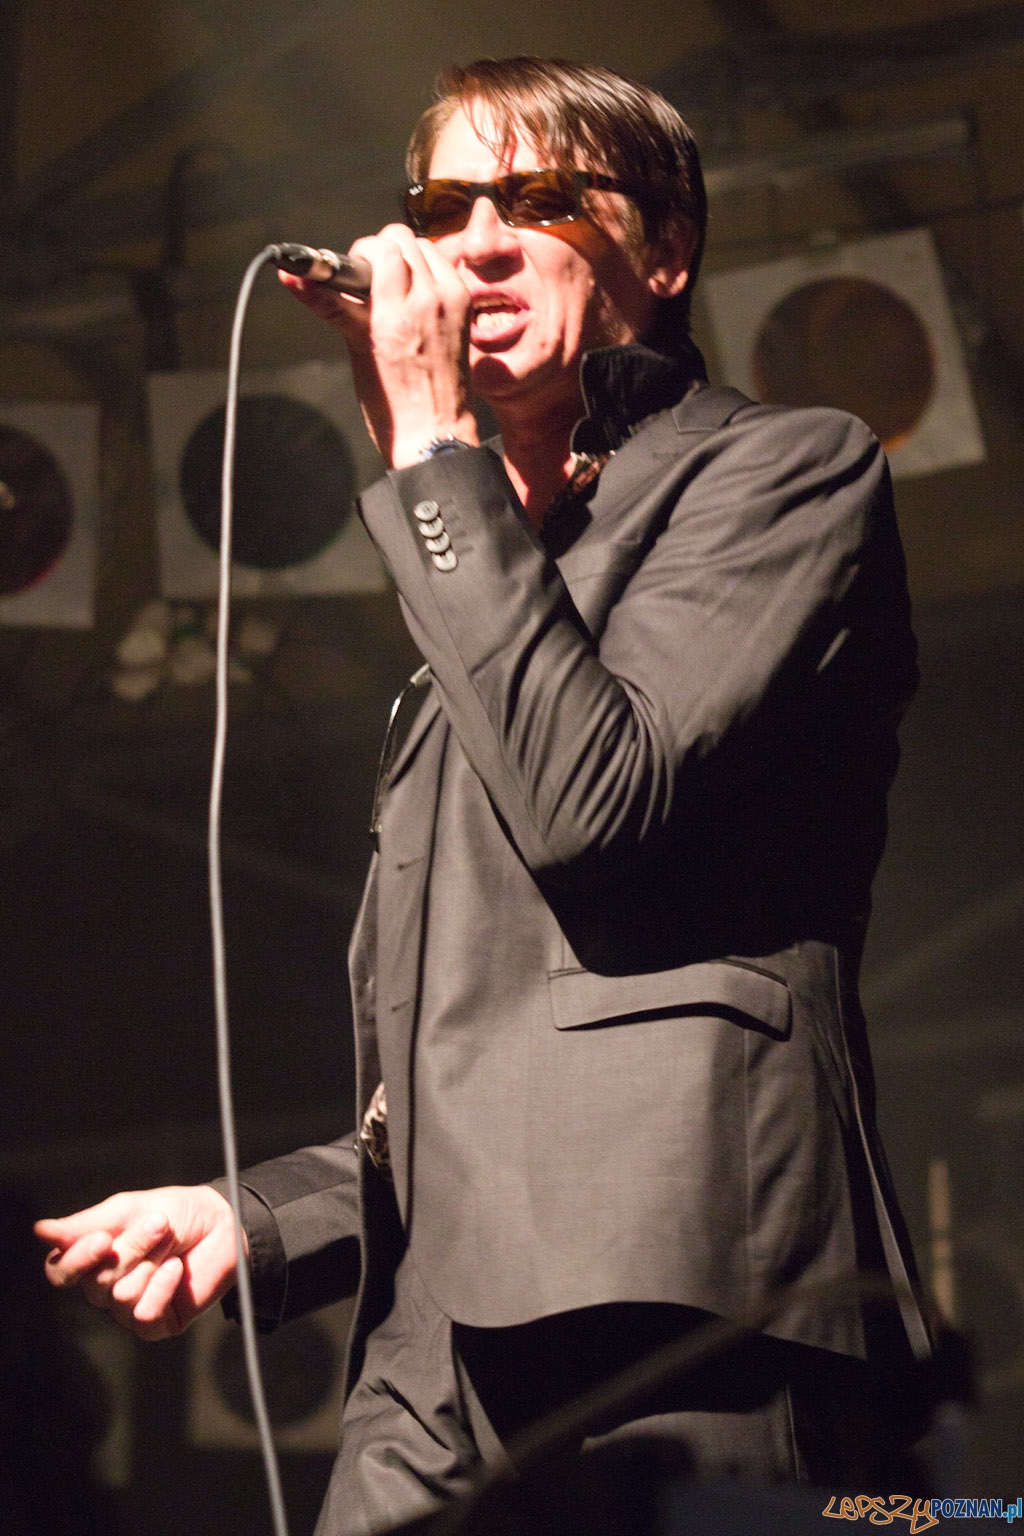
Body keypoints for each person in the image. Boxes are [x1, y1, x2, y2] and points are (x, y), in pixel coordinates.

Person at [36, 57, 932, 1534]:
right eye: (444, 208)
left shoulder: (782, 471)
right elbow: (477, 1069)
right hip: (428, 1355)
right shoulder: (483, 589)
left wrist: (437, 452)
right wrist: (256, 1218)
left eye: (542, 199)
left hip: (682, 1295)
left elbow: (596, 802)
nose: (479, 243)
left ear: (666, 248)